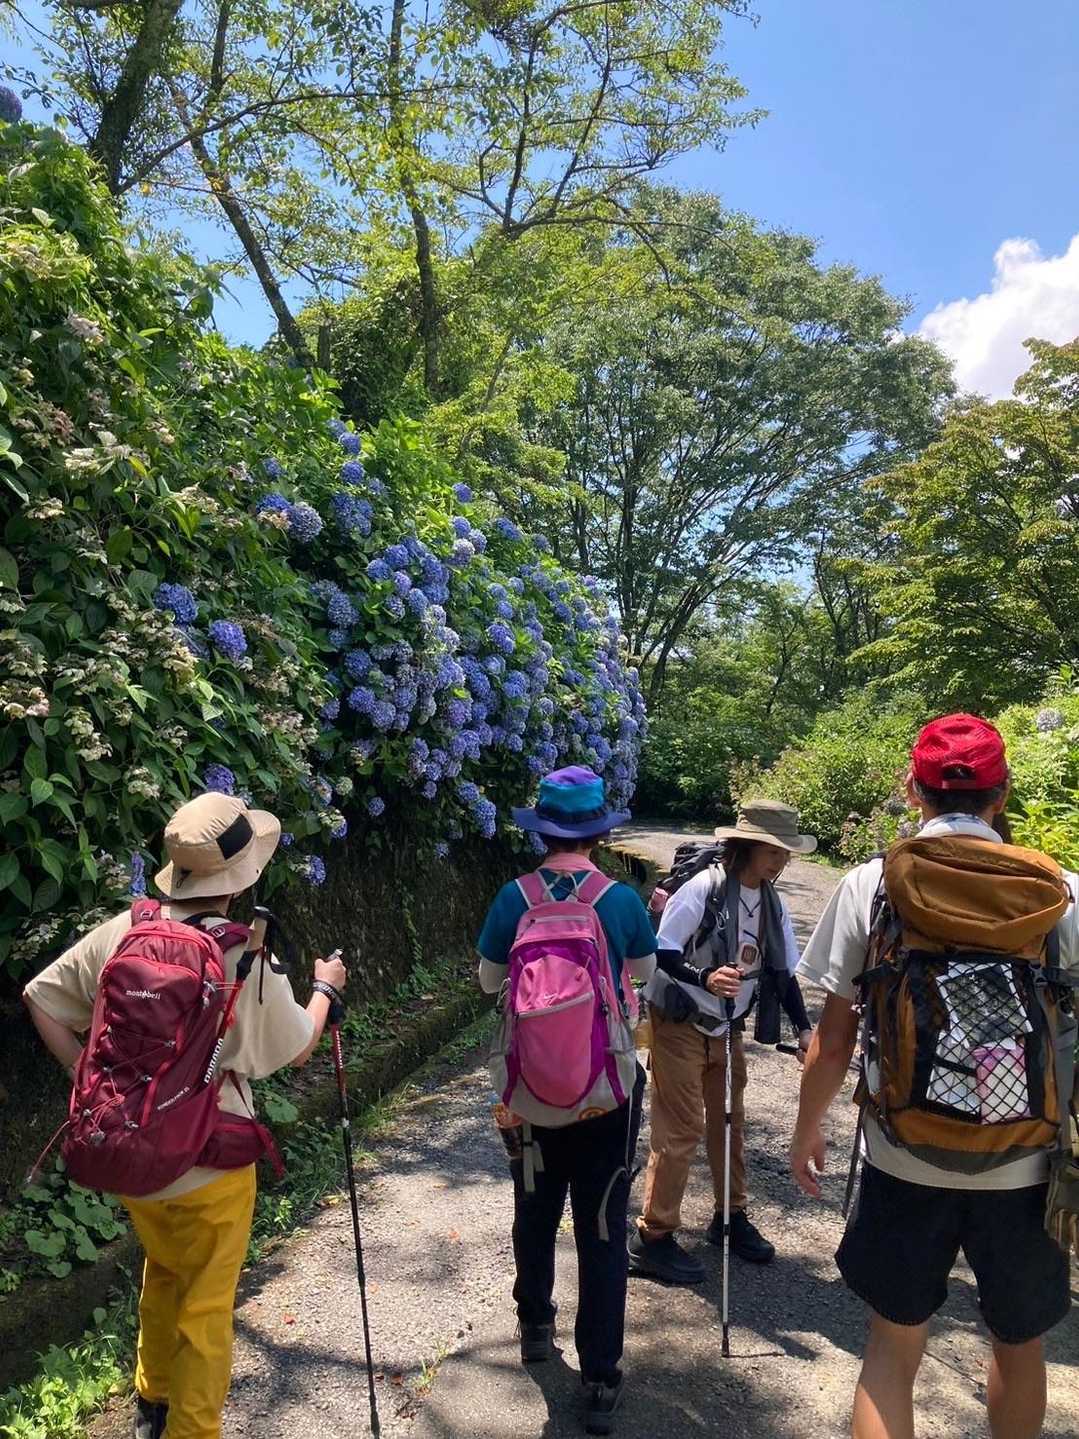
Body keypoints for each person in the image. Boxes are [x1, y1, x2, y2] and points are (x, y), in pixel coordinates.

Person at [23, 792, 347, 1439]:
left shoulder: (126, 930)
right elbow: (298, 1046)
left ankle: (154, 1397)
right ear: (240, 880)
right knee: (206, 1305)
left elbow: (41, 998)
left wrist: (90, 1076)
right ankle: (190, 1429)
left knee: (165, 1267)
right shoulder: (244, 958)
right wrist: (325, 989)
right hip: (209, 1165)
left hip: (133, 1153)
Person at [791, 714, 1079, 1439]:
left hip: (902, 1152)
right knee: (1019, 1343)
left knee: (891, 1347)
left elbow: (833, 1041)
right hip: (1027, 1164)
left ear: (913, 791)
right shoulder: (1060, 893)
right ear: (1002, 794)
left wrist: (806, 1129)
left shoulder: (872, 884)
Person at [477, 766, 656, 1436]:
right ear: (599, 833)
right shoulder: (619, 899)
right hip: (605, 1092)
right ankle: (601, 1375)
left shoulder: (514, 896)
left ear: (541, 832)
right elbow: (645, 975)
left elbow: (487, 980)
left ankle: (533, 1324)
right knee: (602, 1225)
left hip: (528, 1092)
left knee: (534, 1204)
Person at [629, 799, 816, 1285]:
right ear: (747, 846)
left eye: (785, 852)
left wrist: (804, 1029)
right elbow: (661, 951)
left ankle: (730, 1216)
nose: (781, 860)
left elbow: (783, 972)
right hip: (680, 1019)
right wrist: (706, 976)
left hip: (727, 1024)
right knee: (681, 1126)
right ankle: (652, 1237)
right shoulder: (704, 887)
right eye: (773, 851)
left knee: (730, 1121)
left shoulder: (771, 903)